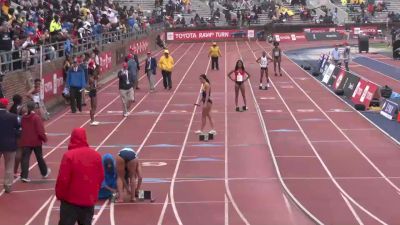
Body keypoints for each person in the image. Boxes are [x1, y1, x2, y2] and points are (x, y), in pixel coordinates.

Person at [56, 128, 104, 225]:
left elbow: (63, 179)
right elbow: (101, 177)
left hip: (70, 201)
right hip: (88, 201)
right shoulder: (96, 155)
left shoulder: (69, 156)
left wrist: (60, 195)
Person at [20, 101, 51, 183]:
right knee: (39, 157)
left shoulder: (23, 117)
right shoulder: (36, 117)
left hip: (26, 141)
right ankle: (44, 172)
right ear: (34, 108)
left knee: (25, 158)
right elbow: (40, 130)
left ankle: (24, 175)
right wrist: (44, 138)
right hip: (36, 141)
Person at [0, 98, 19, 193]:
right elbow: (18, 129)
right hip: (10, 144)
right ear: (7, 105)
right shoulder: (13, 117)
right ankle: (8, 186)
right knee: (9, 166)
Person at [9, 94, 24, 178]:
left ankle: (13, 169)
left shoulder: (11, 108)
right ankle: (15, 170)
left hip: (11, 132)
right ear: (20, 100)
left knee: (10, 152)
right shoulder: (20, 109)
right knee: (19, 151)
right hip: (19, 132)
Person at [88, 59, 99, 126]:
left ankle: (92, 119)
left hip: (93, 90)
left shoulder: (93, 76)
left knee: (94, 106)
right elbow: (92, 82)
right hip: (92, 91)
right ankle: (92, 120)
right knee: (93, 106)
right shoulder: (90, 77)